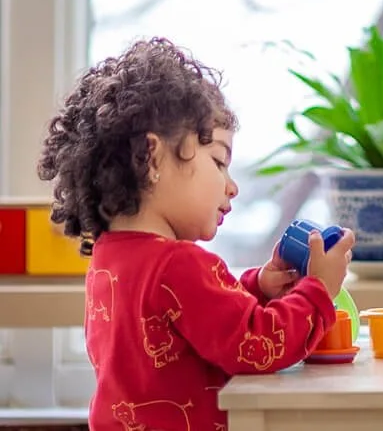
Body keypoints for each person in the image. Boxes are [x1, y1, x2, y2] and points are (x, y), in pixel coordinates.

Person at [37, 37, 356, 431]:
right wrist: (319, 290)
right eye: (219, 161)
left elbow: (193, 321)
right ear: (151, 157)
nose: (231, 186)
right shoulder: (178, 263)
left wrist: (259, 286)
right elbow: (256, 346)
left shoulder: (109, 258)